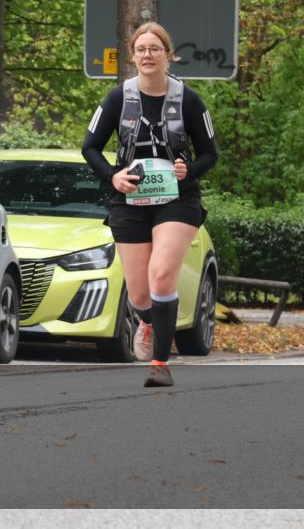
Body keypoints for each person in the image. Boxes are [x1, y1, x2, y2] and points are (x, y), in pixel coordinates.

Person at [82, 22, 218, 387]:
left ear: (168, 55)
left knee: (161, 275)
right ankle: (147, 321)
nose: (147, 55)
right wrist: (113, 176)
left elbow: (210, 154)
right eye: (141, 49)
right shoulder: (117, 97)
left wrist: (187, 172)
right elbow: (89, 147)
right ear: (132, 56)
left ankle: (159, 362)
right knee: (140, 292)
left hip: (177, 199)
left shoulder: (188, 99)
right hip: (130, 200)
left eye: (155, 49)